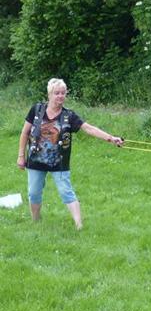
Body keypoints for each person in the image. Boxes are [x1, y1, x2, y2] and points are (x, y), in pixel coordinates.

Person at [16, 78, 124, 230]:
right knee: (34, 193)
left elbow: (88, 128)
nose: (60, 96)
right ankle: (36, 221)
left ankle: (79, 225)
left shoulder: (69, 116)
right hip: (35, 160)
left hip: (59, 162)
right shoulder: (37, 110)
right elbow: (25, 132)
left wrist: (110, 138)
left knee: (66, 192)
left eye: (63, 93)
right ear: (49, 94)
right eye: (57, 93)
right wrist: (21, 156)